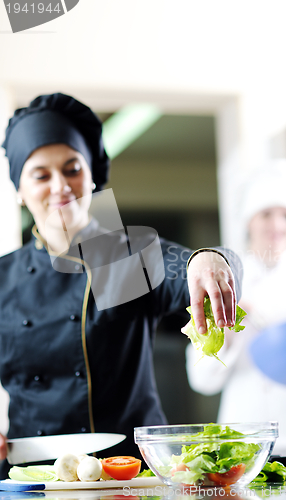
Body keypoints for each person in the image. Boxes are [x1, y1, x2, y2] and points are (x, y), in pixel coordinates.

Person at [0, 93, 242, 479]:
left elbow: (188, 268)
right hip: (32, 477)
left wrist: (209, 259)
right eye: (41, 175)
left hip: (130, 474)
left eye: (72, 168)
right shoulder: (4, 278)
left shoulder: (130, 255)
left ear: (91, 174)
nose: (60, 186)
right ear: (19, 189)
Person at [186, 159, 286, 456]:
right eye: (266, 214)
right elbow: (200, 380)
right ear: (249, 220)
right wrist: (228, 334)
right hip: (244, 443)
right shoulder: (223, 284)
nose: (277, 226)